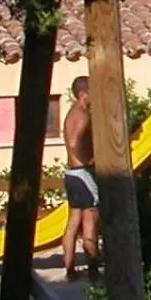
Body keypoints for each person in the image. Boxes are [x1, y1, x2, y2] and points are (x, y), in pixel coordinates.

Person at [61, 77, 99, 281]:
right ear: (84, 94)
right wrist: (89, 159)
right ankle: (93, 271)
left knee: (73, 222)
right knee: (90, 220)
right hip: (83, 172)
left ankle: (70, 270)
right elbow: (75, 143)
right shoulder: (83, 116)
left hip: (72, 173)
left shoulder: (71, 114)